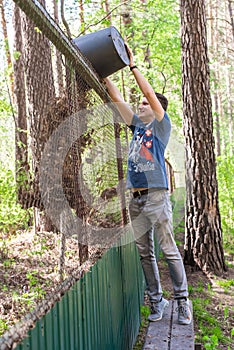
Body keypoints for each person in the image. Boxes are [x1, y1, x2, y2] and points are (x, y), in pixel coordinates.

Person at [103, 45, 191, 325]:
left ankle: (182, 301)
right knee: (145, 253)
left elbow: (151, 95)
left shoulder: (161, 127)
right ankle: (157, 301)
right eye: (139, 103)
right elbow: (116, 98)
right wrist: (104, 73)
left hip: (156, 196)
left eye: (143, 103)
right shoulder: (137, 128)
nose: (140, 104)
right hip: (136, 197)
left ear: (157, 110)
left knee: (168, 249)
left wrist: (132, 65)